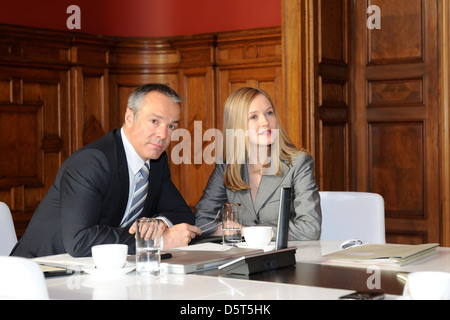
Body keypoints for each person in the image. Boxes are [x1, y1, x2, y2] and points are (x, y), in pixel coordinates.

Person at [11, 83, 201, 258]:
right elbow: (80, 240)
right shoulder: (92, 162)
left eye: (171, 126)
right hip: (39, 272)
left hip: (97, 271)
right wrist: (156, 241)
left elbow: (182, 214)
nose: (163, 135)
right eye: (154, 121)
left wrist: (159, 224)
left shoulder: (156, 161)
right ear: (129, 117)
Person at [195, 87, 321, 240]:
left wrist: (247, 231)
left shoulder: (298, 162)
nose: (265, 122)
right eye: (253, 117)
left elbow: (310, 228)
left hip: (288, 258)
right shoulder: (227, 165)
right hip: (241, 258)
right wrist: (226, 230)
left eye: (269, 113)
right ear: (237, 125)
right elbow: (201, 222)